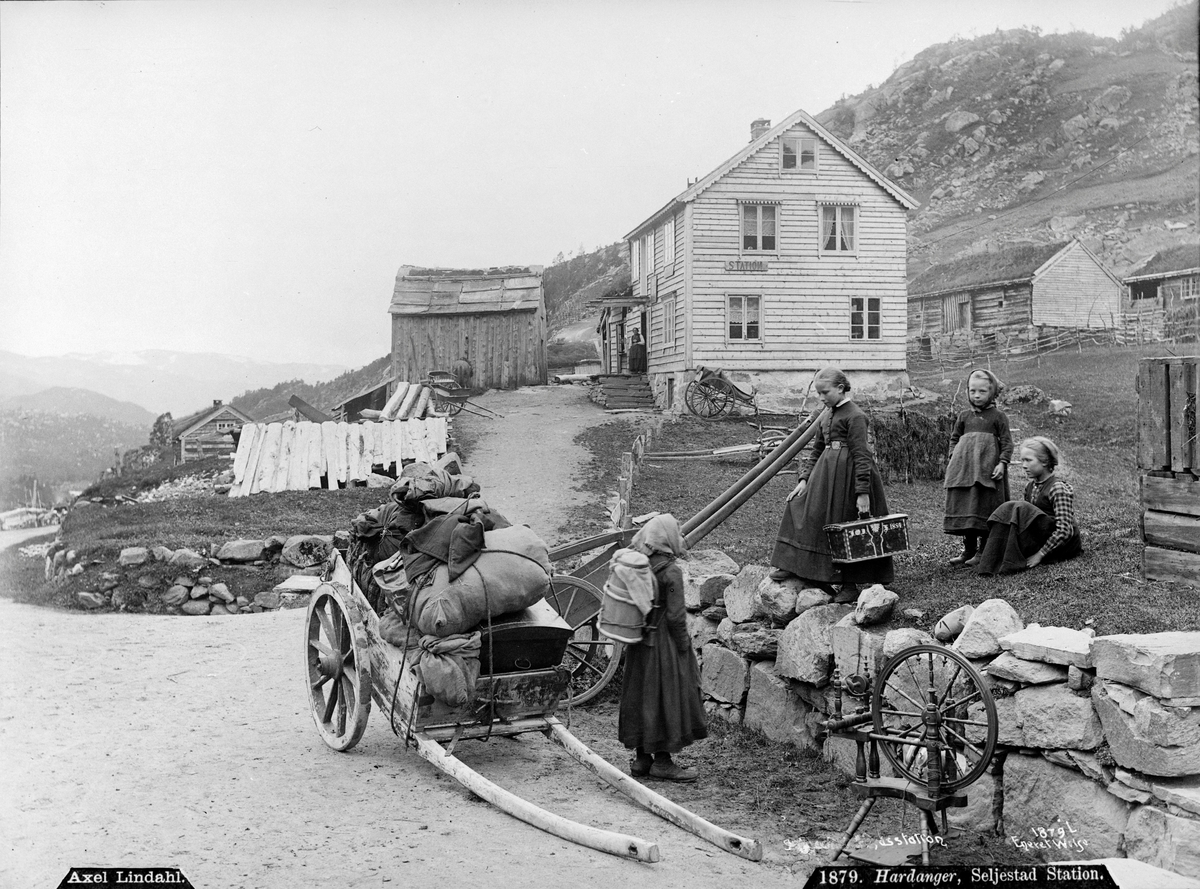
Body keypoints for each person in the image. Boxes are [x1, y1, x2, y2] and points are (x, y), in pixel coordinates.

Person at [769, 367, 893, 601]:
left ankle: (849, 585)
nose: (822, 398)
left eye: (825, 392)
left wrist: (862, 492)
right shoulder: (826, 414)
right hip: (824, 476)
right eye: (818, 393)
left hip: (848, 478)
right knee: (803, 509)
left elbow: (862, 454)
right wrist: (804, 479)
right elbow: (817, 448)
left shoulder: (855, 416)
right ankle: (798, 566)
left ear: (840, 388)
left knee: (844, 523)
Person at [618, 513, 707, 782]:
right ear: (666, 539)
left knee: (643, 697)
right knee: (667, 698)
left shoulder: (640, 564)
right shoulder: (671, 571)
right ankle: (663, 762)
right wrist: (684, 648)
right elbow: (676, 617)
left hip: (639, 645)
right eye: (676, 533)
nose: (680, 537)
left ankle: (642, 759)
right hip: (663, 645)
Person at [975, 436, 1082, 575]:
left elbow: (1065, 530)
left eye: (1029, 460)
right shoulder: (1030, 486)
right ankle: (990, 556)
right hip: (1041, 536)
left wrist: (1039, 555)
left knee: (1019, 507)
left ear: (1044, 461)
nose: (1024, 465)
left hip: (1064, 546)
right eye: (1022, 460)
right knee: (1013, 509)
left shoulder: (1057, 488)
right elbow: (1028, 521)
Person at [943, 369, 1013, 568]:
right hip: (964, 472)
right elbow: (954, 438)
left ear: (991, 393)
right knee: (968, 508)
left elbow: (1007, 443)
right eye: (972, 391)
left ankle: (984, 551)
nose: (976, 395)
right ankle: (969, 550)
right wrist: (953, 457)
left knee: (984, 507)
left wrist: (1002, 463)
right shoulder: (964, 416)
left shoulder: (998, 417)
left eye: (982, 391)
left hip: (987, 472)